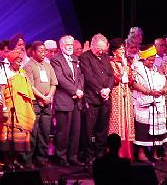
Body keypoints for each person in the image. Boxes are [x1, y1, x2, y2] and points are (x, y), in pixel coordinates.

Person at [0, 50, 36, 168]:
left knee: (20, 135)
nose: (20, 64)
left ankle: (15, 160)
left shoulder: (22, 72)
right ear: (11, 61)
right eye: (18, 61)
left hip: (22, 108)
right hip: (10, 108)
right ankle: (8, 161)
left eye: (21, 61)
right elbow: (1, 91)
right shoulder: (5, 73)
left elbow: (28, 88)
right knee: (9, 135)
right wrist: (3, 107)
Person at [80, 33, 114, 164]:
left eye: (103, 48)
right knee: (88, 130)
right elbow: (89, 77)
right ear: (92, 45)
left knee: (102, 129)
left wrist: (108, 89)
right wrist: (101, 90)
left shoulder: (105, 57)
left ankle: (100, 154)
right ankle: (88, 156)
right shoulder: (85, 57)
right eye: (98, 48)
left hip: (105, 99)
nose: (101, 51)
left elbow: (111, 75)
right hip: (92, 99)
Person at [51, 35, 85, 166]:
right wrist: (74, 90)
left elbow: (81, 76)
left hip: (77, 100)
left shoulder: (75, 59)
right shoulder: (56, 60)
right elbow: (60, 78)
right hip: (64, 100)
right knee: (63, 131)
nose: (70, 47)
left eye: (71, 44)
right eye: (67, 45)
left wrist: (80, 90)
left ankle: (73, 156)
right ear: (61, 46)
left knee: (75, 131)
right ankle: (61, 157)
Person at [23, 41, 58, 167]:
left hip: (47, 103)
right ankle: (28, 160)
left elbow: (54, 83)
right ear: (33, 52)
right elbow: (30, 86)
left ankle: (42, 159)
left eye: (44, 51)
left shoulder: (48, 66)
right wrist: (42, 97)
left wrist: (49, 97)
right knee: (33, 133)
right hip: (35, 103)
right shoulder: (29, 66)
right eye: (40, 51)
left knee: (45, 131)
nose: (43, 54)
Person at [132, 45, 167, 161]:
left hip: (158, 101)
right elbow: (133, 83)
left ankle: (155, 152)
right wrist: (148, 92)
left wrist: (164, 89)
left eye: (154, 59)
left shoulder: (157, 68)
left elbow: (165, 81)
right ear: (143, 58)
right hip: (144, 101)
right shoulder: (137, 68)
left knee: (158, 127)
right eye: (150, 59)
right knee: (143, 128)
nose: (153, 62)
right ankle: (141, 153)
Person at [108, 38, 135, 159]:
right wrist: (122, 72)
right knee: (117, 120)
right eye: (120, 49)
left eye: (124, 48)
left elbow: (131, 79)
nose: (123, 51)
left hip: (126, 93)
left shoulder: (127, 62)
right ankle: (116, 152)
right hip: (116, 93)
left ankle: (127, 152)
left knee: (127, 121)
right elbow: (114, 79)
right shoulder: (111, 62)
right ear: (114, 51)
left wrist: (128, 72)